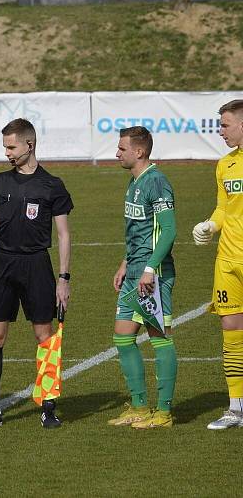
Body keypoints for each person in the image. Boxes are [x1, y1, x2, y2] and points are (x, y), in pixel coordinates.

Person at [0, 118, 72, 429]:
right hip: (2, 262)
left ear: (29, 145)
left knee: (45, 337)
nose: (7, 153)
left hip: (36, 265)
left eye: (11, 146)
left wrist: (63, 278)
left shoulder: (52, 185)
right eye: (5, 147)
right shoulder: (0, 181)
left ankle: (48, 406)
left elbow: (63, 235)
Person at [108, 126, 178, 429]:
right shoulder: (134, 181)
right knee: (122, 337)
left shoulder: (157, 182)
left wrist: (149, 269)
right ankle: (138, 406)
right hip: (134, 272)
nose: (117, 153)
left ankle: (163, 412)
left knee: (159, 339)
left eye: (122, 148)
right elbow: (140, 230)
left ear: (139, 151)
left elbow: (169, 230)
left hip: (153, 275)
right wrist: (126, 263)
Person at [193, 99, 243, 430]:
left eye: (225, 124)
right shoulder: (224, 165)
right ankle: (236, 408)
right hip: (227, 260)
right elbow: (224, 208)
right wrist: (210, 225)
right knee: (232, 331)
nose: (220, 130)